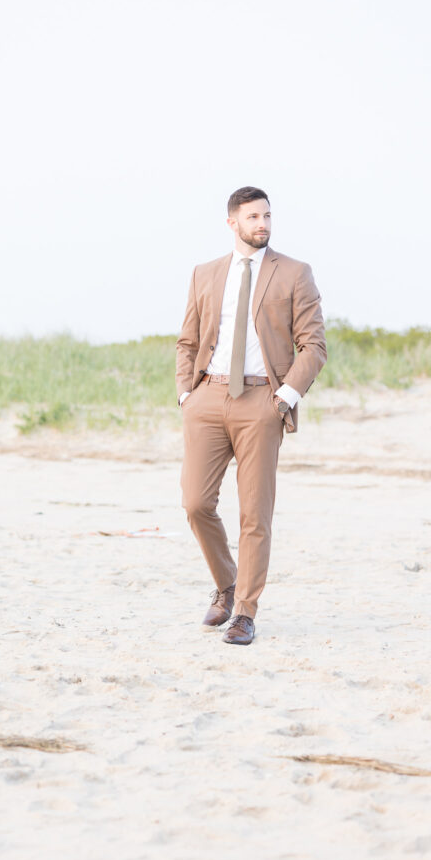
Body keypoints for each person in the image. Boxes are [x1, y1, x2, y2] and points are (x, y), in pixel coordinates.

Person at [176, 186, 326, 646]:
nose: (262, 224)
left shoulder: (294, 273)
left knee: (254, 514)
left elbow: (314, 345)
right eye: (253, 217)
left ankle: (244, 611)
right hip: (207, 400)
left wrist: (284, 397)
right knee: (196, 504)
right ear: (232, 222)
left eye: (267, 216)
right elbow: (187, 340)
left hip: (262, 401)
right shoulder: (205, 273)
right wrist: (186, 392)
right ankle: (226, 583)